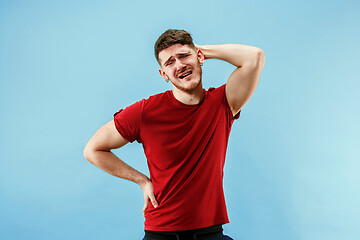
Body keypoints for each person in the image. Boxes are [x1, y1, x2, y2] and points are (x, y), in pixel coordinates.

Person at [84, 29, 265, 240]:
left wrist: (200, 50)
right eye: (169, 62)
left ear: (199, 58)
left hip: (210, 233)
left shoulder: (222, 104)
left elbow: (255, 57)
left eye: (184, 56)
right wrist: (142, 180)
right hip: (161, 233)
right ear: (163, 74)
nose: (179, 65)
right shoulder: (145, 112)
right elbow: (93, 150)